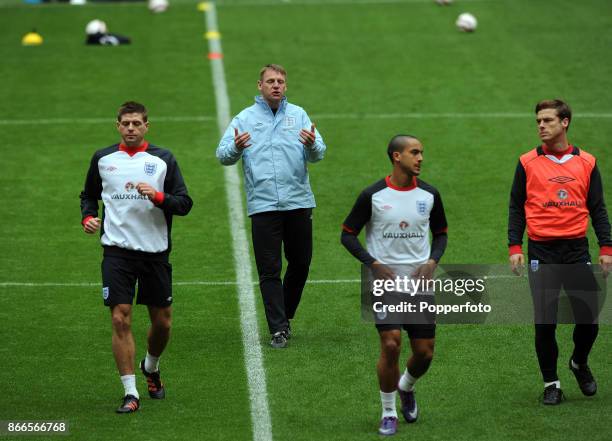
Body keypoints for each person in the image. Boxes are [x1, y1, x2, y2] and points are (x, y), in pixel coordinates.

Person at [80, 101, 193, 413]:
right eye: (125, 123)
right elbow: (89, 195)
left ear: (147, 126)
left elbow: (184, 203)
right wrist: (87, 217)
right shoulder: (103, 159)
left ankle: (151, 366)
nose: (131, 128)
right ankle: (131, 393)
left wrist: (157, 197)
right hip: (116, 252)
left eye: (136, 123)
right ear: (117, 125)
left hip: (155, 252)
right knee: (120, 316)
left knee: (163, 324)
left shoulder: (163, 160)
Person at [341, 135, 448, 436]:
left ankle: (406, 386)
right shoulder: (372, 195)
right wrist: (374, 264)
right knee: (390, 344)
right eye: (415, 153)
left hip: (419, 285)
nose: (421, 158)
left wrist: (432, 262)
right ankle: (388, 412)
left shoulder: (429, 195)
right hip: (385, 285)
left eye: (422, 153)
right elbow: (347, 234)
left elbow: (441, 233)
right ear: (396, 156)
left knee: (424, 353)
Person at [508, 99, 611, 405]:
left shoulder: (587, 162)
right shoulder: (527, 162)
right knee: (545, 321)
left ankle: (578, 362)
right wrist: (515, 245)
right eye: (539, 120)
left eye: (548, 120)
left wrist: (606, 246)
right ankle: (551, 383)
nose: (541, 125)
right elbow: (516, 206)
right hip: (542, 250)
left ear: (564, 122)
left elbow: (598, 208)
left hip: (576, 249)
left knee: (589, 319)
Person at [216, 64, 326, 348]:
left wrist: (313, 144)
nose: (276, 85)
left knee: (301, 263)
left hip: (299, 202)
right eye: (270, 81)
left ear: (285, 86)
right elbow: (222, 155)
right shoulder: (245, 118)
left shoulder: (298, 114)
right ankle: (278, 328)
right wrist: (237, 148)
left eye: (280, 81)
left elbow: (319, 153)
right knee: (269, 269)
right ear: (260, 86)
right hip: (263, 206)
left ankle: (284, 315)